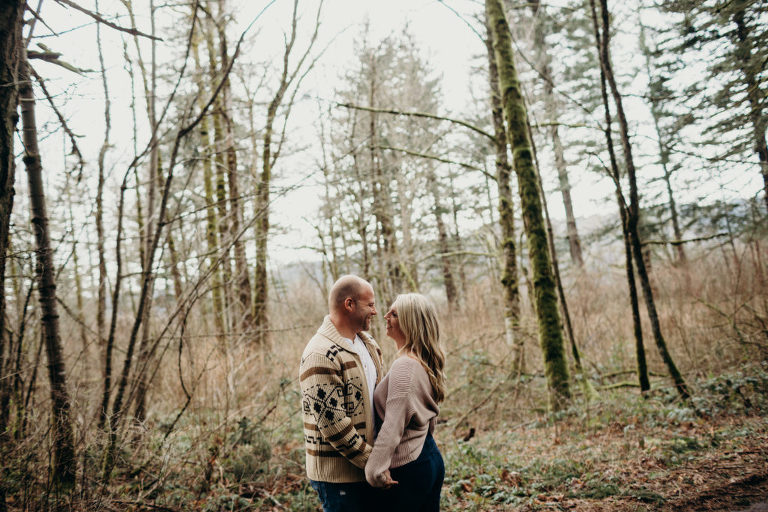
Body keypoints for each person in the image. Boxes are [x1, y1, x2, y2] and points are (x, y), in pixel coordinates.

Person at [299, 275, 384, 512]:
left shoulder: (368, 344)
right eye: (370, 304)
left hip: (367, 471)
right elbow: (333, 425)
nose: (375, 311)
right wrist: (373, 462)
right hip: (339, 479)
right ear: (349, 304)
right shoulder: (320, 354)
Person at [365, 293, 446, 512]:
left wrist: (374, 470)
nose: (385, 316)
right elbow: (429, 418)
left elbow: (393, 425)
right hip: (427, 456)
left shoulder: (405, 366)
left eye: (394, 314)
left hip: (409, 469)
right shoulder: (422, 362)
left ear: (410, 322)